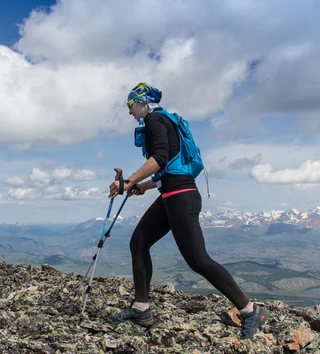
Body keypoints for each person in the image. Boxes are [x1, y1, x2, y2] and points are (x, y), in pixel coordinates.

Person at [108, 82, 268, 340]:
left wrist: (129, 182)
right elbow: (169, 167)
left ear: (142, 102)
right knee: (138, 242)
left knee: (198, 260)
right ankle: (141, 308)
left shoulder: (154, 120)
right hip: (171, 195)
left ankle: (250, 311)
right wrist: (145, 186)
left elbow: (158, 158)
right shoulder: (164, 121)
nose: (130, 113)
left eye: (130, 106)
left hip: (181, 198)